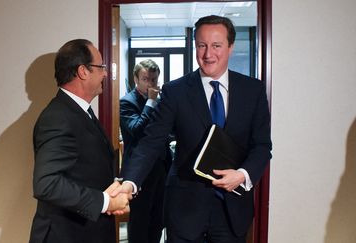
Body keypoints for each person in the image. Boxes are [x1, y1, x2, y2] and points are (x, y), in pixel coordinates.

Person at [113, 15, 272, 243]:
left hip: (232, 210)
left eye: (216, 45)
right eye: (201, 45)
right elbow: (151, 142)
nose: (208, 54)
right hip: (185, 209)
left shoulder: (253, 90)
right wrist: (129, 181)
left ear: (230, 47)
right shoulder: (175, 92)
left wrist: (243, 175)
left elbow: (262, 146)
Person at [29, 39, 130, 243]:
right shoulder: (58, 117)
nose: (105, 73)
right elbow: (46, 184)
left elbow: (86, 168)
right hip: (66, 235)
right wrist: (105, 202)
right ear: (83, 71)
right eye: (101, 67)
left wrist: (114, 189)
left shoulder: (79, 111)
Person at [120, 59, 171, 243]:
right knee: (140, 222)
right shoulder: (127, 102)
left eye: (154, 79)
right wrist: (150, 102)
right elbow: (136, 130)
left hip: (161, 169)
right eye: (145, 79)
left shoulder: (161, 101)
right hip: (139, 173)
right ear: (136, 79)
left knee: (158, 220)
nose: (151, 84)